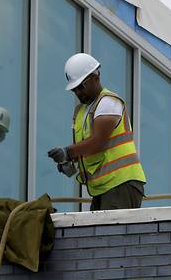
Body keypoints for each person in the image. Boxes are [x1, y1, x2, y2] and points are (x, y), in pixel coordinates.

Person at [47, 53, 146, 211]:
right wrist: (70, 161)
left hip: (121, 182)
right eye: (74, 89)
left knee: (111, 234)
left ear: (96, 78)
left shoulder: (108, 102)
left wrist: (67, 152)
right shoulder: (82, 111)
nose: (78, 93)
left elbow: (98, 142)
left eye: (81, 86)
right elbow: (87, 148)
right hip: (104, 188)